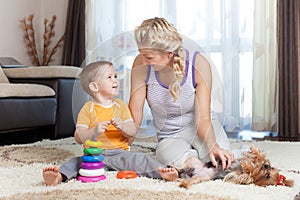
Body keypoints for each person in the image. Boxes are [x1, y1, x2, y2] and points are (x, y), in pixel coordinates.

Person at [42, 61, 176, 186]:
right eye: (109, 77)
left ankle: (163, 172)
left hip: (120, 153)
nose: (115, 80)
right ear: (94, 86)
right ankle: (58, 177)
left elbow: (133, 130)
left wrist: (123, 127)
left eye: (115, 76)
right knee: (75, 163)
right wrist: (93, 131)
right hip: (93, 156)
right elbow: (78, 136)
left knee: (141, 159)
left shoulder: (120, 106)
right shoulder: (87, 109)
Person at [129, 17, 234, 174]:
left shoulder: (198, 64)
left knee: (222, 160)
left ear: (169, 53)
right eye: (141, 54)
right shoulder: (141, 65)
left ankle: (201, 160)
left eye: (149, 57)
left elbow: (203, 118)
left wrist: (213, 146)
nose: (143, 61)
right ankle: (190, 162)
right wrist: (121, 147)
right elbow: (134, 114)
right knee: (170, 158)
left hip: (200, 125)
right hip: (170, 135)